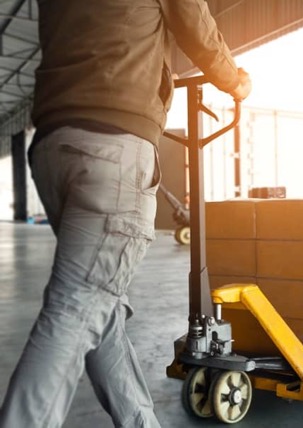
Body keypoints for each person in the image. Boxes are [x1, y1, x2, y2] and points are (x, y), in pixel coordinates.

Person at [0, 1, 251, 427]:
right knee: (77, 307)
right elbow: (194, 22)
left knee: (103, 312)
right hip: (113, 144)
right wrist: (235, 80)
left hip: (52, 145)